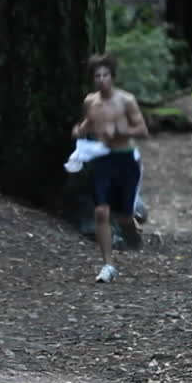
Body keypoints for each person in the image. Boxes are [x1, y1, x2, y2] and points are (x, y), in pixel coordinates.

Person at [70, 53, 148, 283]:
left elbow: (142, 130)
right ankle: (108, 265)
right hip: (103, 160)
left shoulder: (126, 100)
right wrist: (80, 131)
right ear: (93, 79)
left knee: (123, 217)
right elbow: (87, 124)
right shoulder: (90, 102)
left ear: (112, 77)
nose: (102, 79)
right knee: (101, 212)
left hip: (126, 160)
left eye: (105, 75)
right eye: (97, 76)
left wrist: (122, 132)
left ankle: (132, 232)